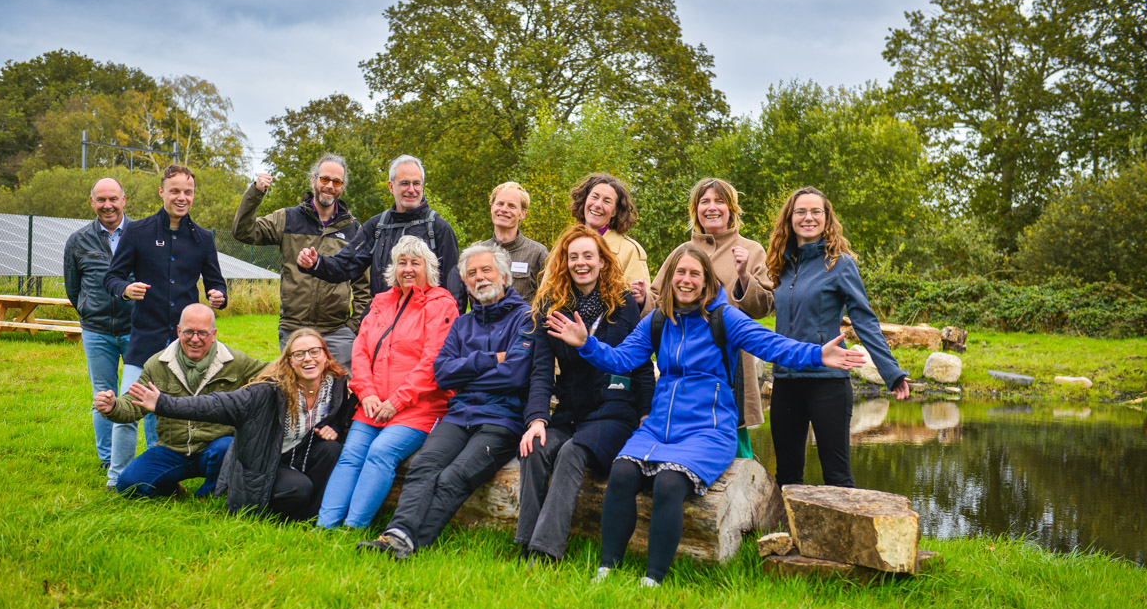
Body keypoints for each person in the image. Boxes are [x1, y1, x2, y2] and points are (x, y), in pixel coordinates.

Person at [547, 245, 865, 586]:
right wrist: (586, 344)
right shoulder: (656, 321)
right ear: (670, 280)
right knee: (622, 473)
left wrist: (818, 354)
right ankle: (607, 570)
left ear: (706, 281)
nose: (686, 281)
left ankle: (653, 578)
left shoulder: (724, 317)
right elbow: (622, 361)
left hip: (709, 428)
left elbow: (771, 344)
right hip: (660, 426)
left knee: (669, 484)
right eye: (680, 273)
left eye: (694, 274)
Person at [358, 241, 534, 558]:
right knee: (425, 464)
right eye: (471, 274)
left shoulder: (524, 320)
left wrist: (466, 370)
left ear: (504, 276)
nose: (479, 278)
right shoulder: (463, 323)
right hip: (459, 415)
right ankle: (396, 534)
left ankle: (409, 543)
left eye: (486, 270)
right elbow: (442, 374)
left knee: (456, 475)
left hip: (502, 421)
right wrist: (492, 359)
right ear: (464, 282)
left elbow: (515, 376)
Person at [516, 226, 654, 562]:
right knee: (535, 448)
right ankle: (525, 543)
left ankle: (546, 552)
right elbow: (540, 370)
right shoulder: (551, 306)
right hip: (572, 411)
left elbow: (641, 365)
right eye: (573, 256)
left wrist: (646, 414)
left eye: (588, 256)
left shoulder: (622, 304)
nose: (581, 263)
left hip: (614, 412)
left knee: (572, 453)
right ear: (564, 262)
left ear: (602, 262)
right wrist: (536, 420)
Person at [764, 186, 911, 488]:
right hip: (786, 380)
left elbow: (864, 319)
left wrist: (891, 372)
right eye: (800, 212)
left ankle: (844, 535)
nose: (808, 217)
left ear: (827, 217)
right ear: (789, 218)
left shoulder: (840, 263)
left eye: (816, 211)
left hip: (827, 382)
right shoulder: (781, 264)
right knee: (787, 477)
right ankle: (786, 536)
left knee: (837, 475)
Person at [125, 328, 352, 520]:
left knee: (332, 450)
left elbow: (346, 414)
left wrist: (335, 429)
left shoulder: (337, 385)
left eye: (314, 351)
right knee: (300, 488)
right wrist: (164, 403)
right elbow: (215, 404)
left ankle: (314, 519)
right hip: (263, 463)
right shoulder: (268, 391)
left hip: (300, 454)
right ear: (289, 361)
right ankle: (279, 508)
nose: (308, 358)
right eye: (299, 354)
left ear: (325, 355)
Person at [317, 236, 459, 529]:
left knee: (381, 453)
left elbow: (433, 361)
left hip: (418, 407)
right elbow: (360, 351)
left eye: (415, 263)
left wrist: (397, 401)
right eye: (402, 263)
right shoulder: (381, 302)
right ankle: (325, 526)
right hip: (372, 404)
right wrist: (366, 392)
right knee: (351, 455)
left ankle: (354, 526)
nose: (407, 269)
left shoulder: (442, 304)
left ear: (428, 268)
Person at [103, 164, 228, 486]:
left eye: (187, 192)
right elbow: (112, 277)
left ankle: (160, 474)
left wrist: (218, 296)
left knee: (170, 412)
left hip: (186, 345)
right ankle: (117, 476)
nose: (181, 197)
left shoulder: (203, 238)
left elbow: (217, 284)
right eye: (175, 191)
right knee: (128, 408)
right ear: (162, 192)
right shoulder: (138, 232)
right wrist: (125, 289)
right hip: (144, 338)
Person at [648, 177, 774, 457]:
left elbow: (764, 307)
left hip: (730, 365)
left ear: (731, 209)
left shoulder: (751, 250)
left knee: (734, 443)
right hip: (684, 364)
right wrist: (638, 296)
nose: (712, 207)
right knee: (684, 440)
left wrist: (743, 275)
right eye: (705, 201)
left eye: (719, 201)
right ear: (696, 210)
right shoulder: (681, 252)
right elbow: (656, 302)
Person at [94, 304, 266, 499]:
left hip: (216, 447)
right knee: (128, 485)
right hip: (172, 449)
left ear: (214, 333)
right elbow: (132, 404)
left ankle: (208, 494)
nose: (195, 339)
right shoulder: (157, 364)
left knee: (228, 448)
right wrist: (113, 406)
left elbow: (271, 375)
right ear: (178, 331)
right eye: (189, 332)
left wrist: (301, 364)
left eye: (202, 333)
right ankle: (171, 488)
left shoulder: (237, 362)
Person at [232, 153, 372, 366]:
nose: (330, 186)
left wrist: (354, 327)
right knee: (294, 394)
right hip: (294, 329)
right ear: (314, 180)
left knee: (343, 395)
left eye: (336, 182)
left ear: (342, 187)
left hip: (337, 332)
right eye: (325, 179)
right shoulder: (287, 219)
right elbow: (243, 231)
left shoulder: (353, 229)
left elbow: (364, 284)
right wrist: (256, 193)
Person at [297, 154, 466, 312]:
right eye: (405, 183)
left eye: (416, 183)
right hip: (383, 322)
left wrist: (449, 331)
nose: (411, 190)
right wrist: (316, 263)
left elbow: (454, 290)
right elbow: (345, 265)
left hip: (424, 325)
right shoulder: (376, 226)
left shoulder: (438, 229)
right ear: (391, 187)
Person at [63, 177, 134, 483]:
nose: (108, 205)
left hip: (137, 329)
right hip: (97, 331)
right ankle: (107, 459)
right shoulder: (78, 240)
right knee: (103, 395)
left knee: (145, 395)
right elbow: (72, 287)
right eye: (101, 199)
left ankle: (154, 456)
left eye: (113, 199)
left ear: (124, 200)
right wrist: (89, 310)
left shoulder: (141, 235)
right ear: (91, 202)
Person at [568, 172, 650, 306]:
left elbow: (643, 306)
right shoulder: (565, 243)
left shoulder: (630, 251)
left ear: (615, 211)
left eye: (607, 201)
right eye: (594, 197)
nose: (598, 205)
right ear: (584, 201)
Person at [482, 181, 547, 302]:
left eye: (511, 206)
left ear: (522, 213)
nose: (504, 209)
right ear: (492, 207)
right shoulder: (479, 253)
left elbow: (548, 298)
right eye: (500, 204)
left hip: (524, 321)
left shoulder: (537, 253)